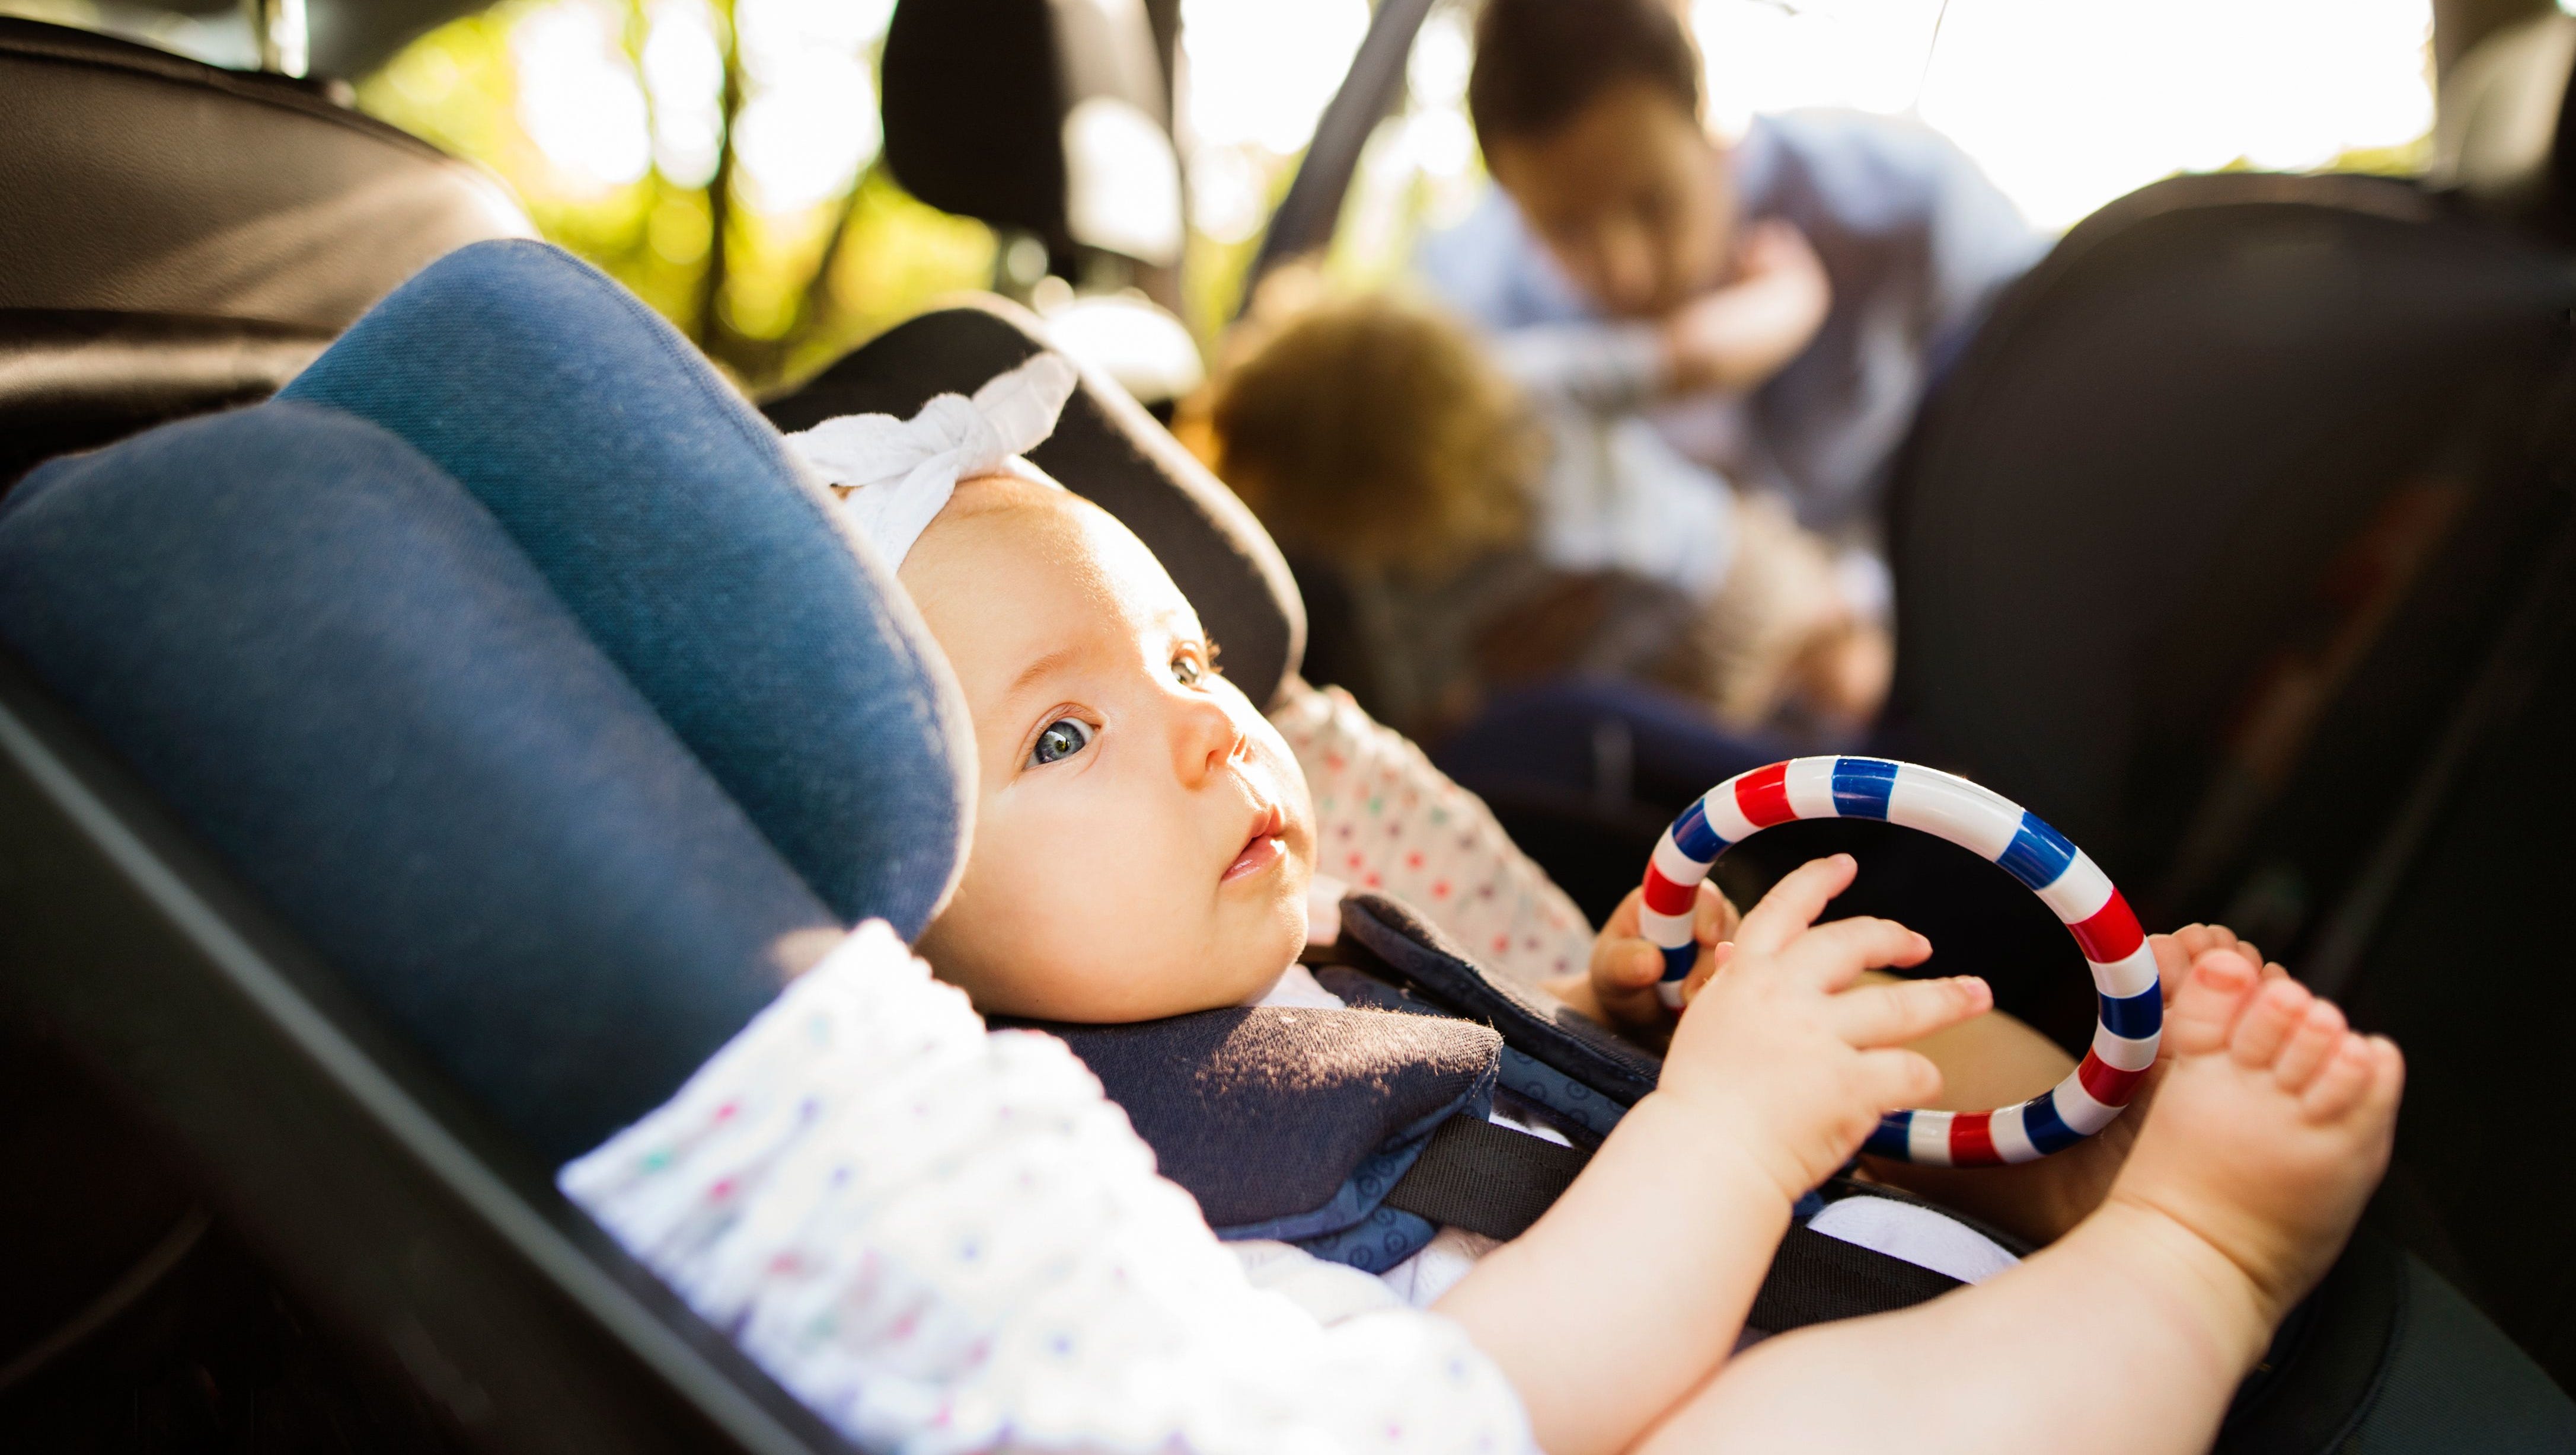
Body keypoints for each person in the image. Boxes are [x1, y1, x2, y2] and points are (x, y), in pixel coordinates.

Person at [752, 355, 2403, 1455]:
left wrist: (1619, 1031)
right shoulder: (1089, 1186)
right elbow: (1471, 1397)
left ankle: (2078, 1154)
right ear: (899, 918)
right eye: (1062, 732)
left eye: (1188, 657)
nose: (1207, 725)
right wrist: (1728, 1131)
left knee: (1847, 996)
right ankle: (2202, 1252)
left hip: (1860, 1285)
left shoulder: (1329, 949)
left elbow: (1512, 1131)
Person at [1418, 0, 2050, 706]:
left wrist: (1866, 619)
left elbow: (2046, 453)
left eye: (1652, 203)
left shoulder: (1903, 211)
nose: (1623, 269)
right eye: (1564, 230)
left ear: (1709, 120)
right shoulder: (1474, 320)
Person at [1202, 283, 1883, 740]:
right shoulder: (1525, 387)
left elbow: (1431, 717)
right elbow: (1697, 353)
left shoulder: (1394, 571)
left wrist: (1495, 683)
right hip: (1719, 582)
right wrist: (1792, 290)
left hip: (1667, 673)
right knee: (1852, 684)